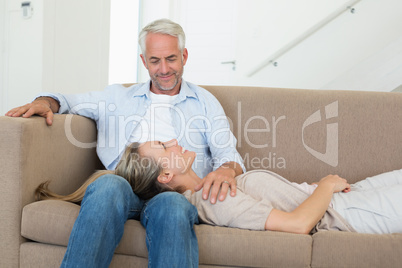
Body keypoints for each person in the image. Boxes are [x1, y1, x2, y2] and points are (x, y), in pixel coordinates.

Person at [6, 19, 245, 267]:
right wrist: (45, 102)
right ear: (144, 61)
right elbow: (66, 101)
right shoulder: (117, 97)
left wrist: (227, 169)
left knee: (172, 205)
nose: (163, 69)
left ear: (184, 56)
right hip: (125, 187)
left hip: (174, 192)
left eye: (171, 59)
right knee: (109, 184)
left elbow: (227, 153)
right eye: (154, 60)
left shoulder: (205, 102)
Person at [37, 140, 402, 235]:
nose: (175, 141)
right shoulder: (212, 201)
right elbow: (298, 226)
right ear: (165, 177)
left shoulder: (216, 181)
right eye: (165, 147)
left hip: (348, 195)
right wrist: (325, 186)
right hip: (347, 215)